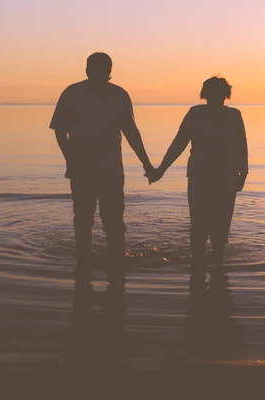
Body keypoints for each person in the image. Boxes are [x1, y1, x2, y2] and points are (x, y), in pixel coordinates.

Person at [50, 52, 154, 280]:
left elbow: (131, 133)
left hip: (111, 169)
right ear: (86, 70)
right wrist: (71, 159)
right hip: (82, 168)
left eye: (102, 68)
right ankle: (83, 260)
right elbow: (60, 131)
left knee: (113, 218)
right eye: (93, 68)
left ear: (109, 71)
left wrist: (147, 164)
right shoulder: (72, 93)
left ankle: (117, 262)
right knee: (83, 216)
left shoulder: (119, 95)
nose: (96, 73)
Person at [148, 76, 248, 266]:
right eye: (211, 92)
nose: (215, 96)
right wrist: (161, 168)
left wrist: (244, 173)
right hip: (199, 177)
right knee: (199, 225)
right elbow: (179, 143)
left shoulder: (234, 115)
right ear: (205, 94)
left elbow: (241, 147)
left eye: (219, 92)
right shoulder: (195, 114)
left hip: (226, 177)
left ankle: (217, 266)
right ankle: (197, 267)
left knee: (221, 225)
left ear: (225, 94)